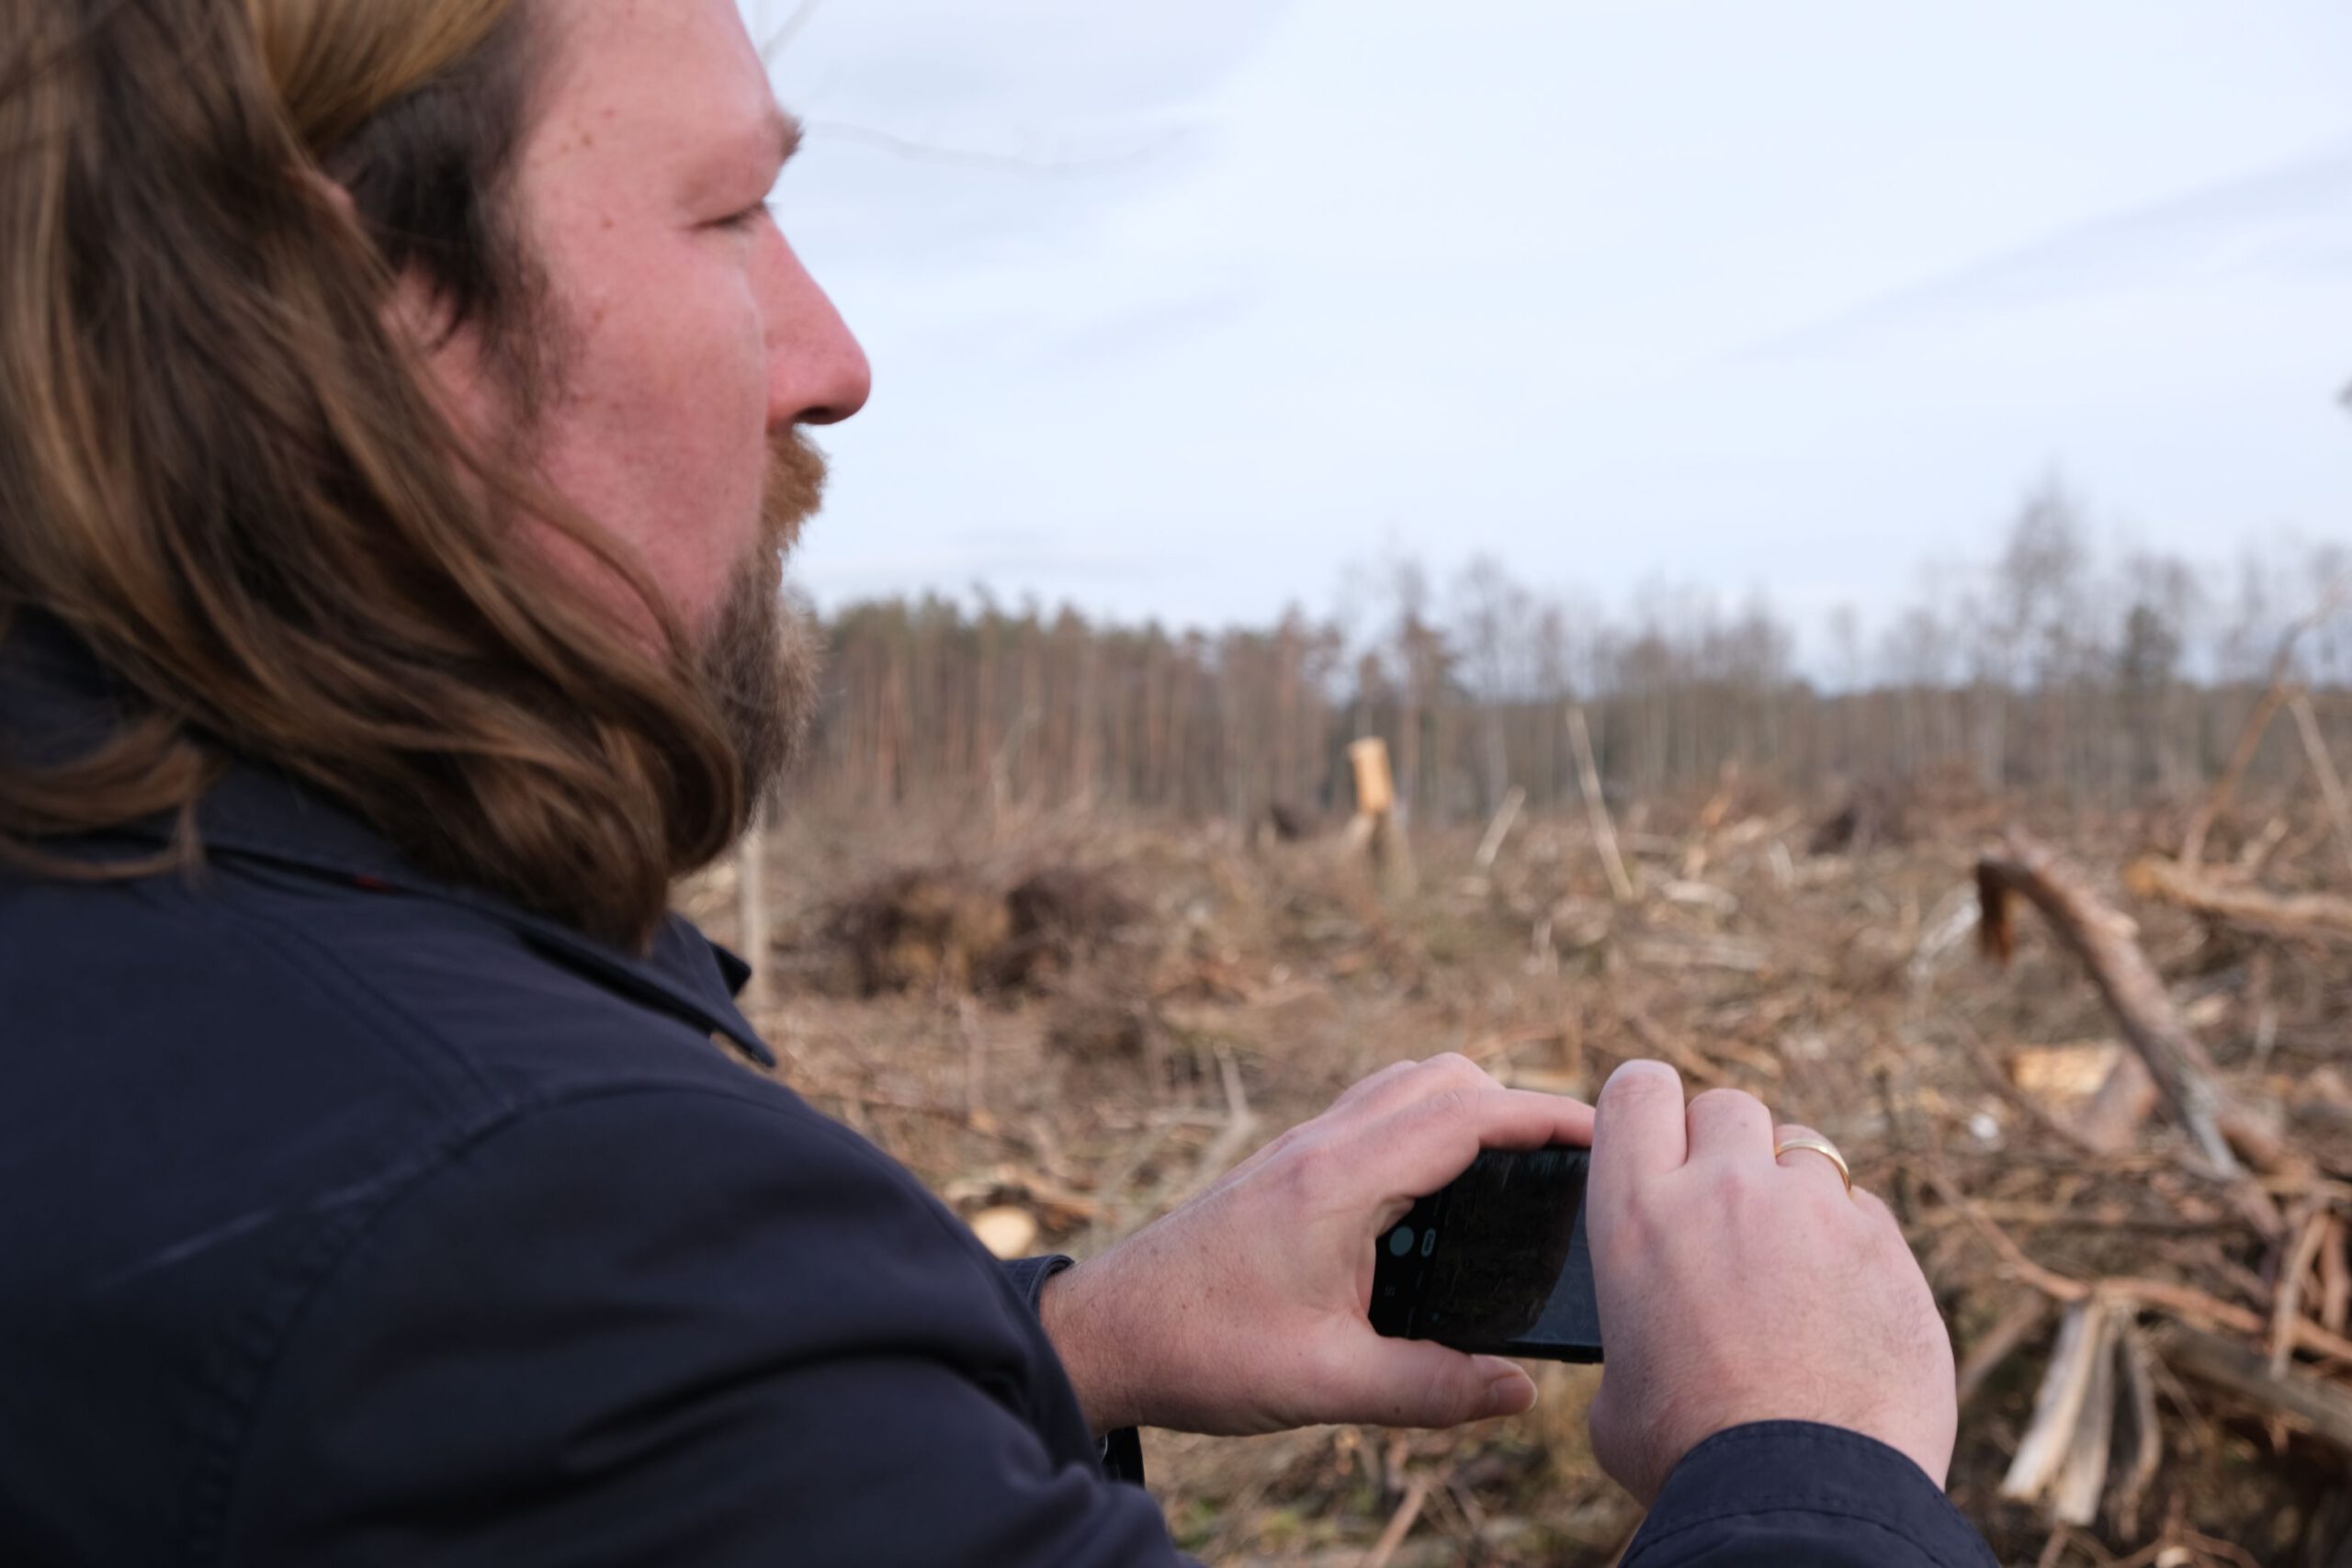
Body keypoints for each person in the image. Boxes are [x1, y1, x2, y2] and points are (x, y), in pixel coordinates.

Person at [0, 1, 1994, 1562]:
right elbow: (513, 1365)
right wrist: (1798, 1459)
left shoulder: (123, 934)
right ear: (339, 319)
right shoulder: (531, 1233)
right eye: (725, 213)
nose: (833, 352)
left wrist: (1046, 1342)